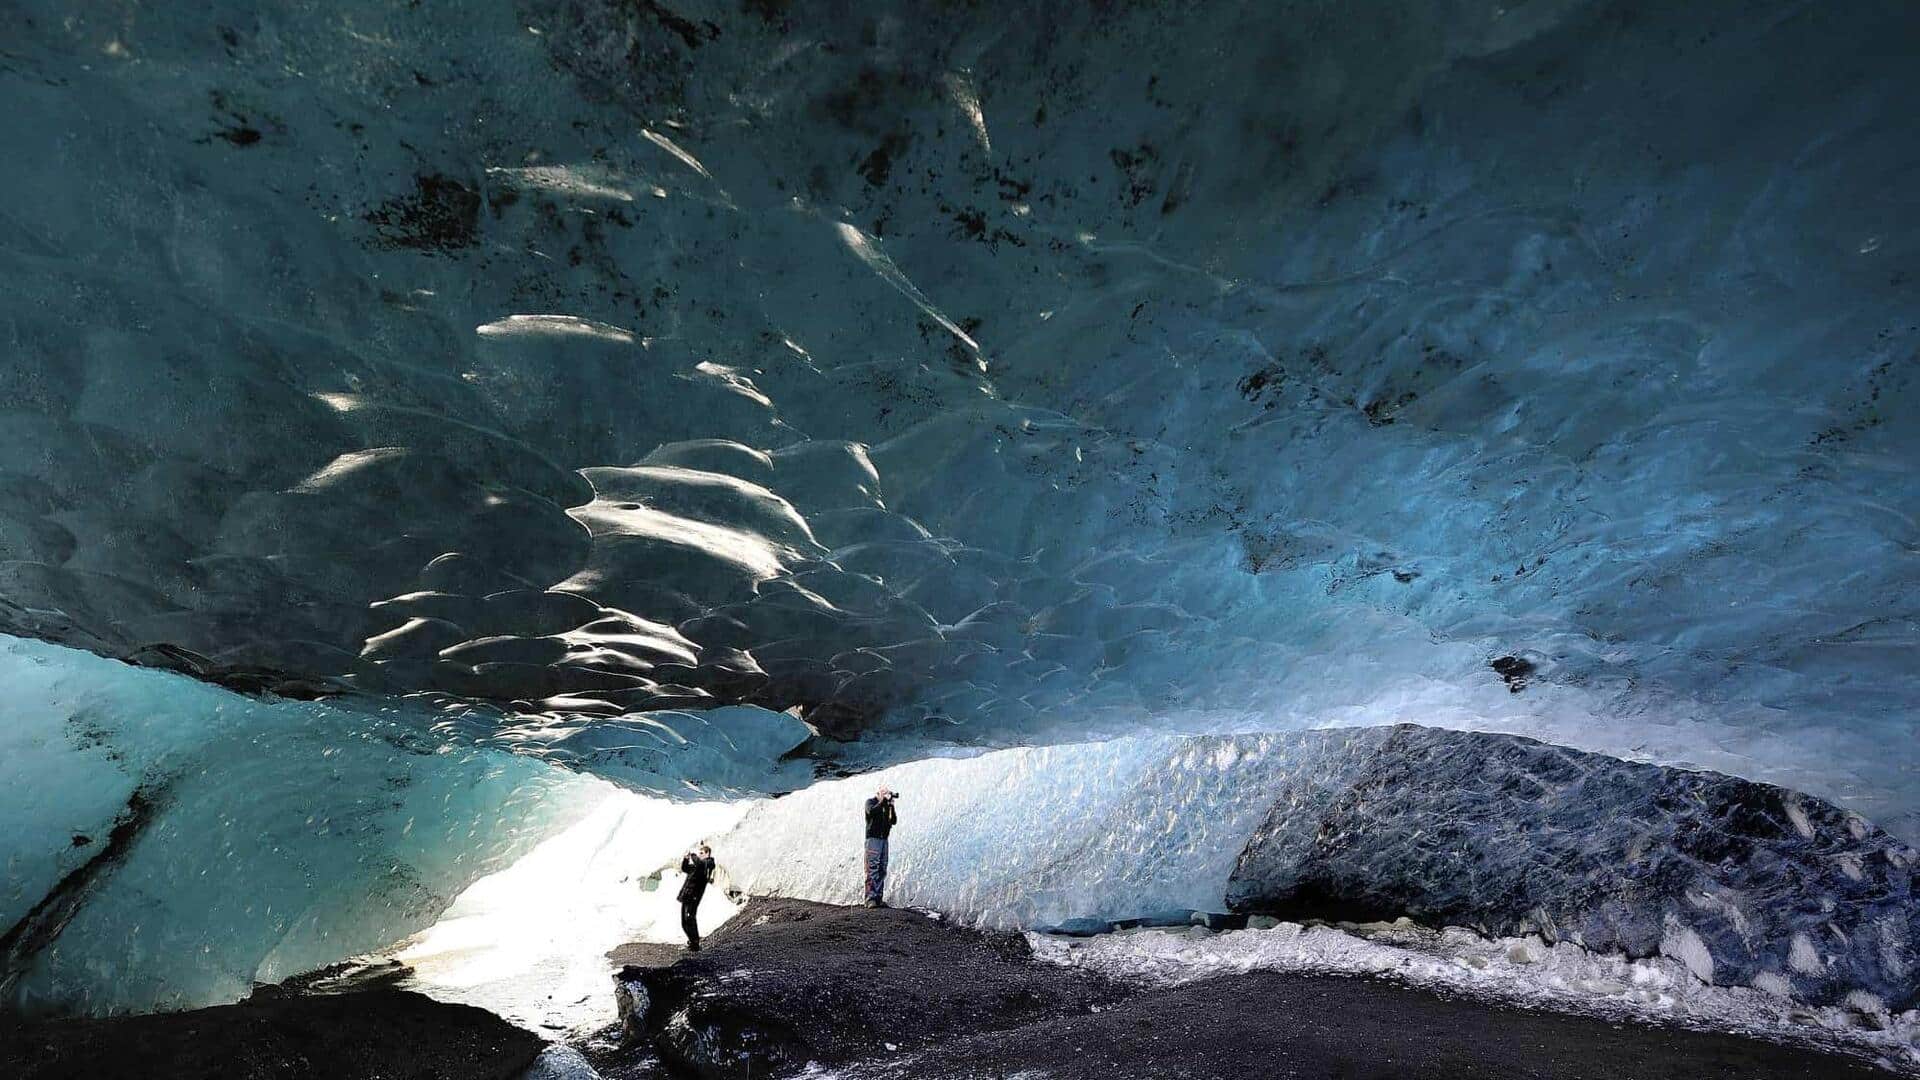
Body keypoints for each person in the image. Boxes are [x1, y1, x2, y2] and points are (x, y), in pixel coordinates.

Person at [863, 787, 898, 908]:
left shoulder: (886, 806)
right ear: (878, 794)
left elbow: (893, 821)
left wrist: (891, 806)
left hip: (884, 840)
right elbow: (871, 812)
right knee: (872, 867)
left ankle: (878, 898)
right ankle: (870, 898)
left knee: (882, 868)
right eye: (884, 793)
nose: (886, 795)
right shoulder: (870, 802)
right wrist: (882, 801)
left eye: (887, 793)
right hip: (873, 839)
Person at [677, 843, 715, 950]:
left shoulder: (708, 863)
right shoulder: (698, 866)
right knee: (684, 921)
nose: (700, 855)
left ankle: (695, 943)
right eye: (700, 853)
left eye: (702, 853)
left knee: (690, 918)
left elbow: (700, 864)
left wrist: (692, 855)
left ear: (707, 853)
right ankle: (692, 941)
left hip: (694, 895)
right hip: (686, 895)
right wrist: (686, 859)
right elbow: (685, 868)